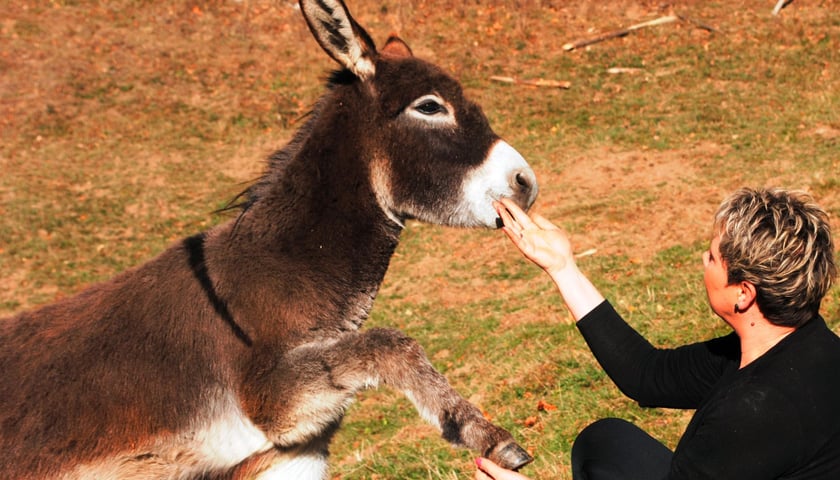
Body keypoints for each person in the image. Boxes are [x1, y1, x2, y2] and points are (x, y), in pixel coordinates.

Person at [475, 188, 840, 480]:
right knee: (605, 444)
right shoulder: (800, 345)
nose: (702, 260)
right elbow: (647, 375)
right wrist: (562, 267)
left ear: (743, 293)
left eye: (713, 258)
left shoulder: (753, 413)